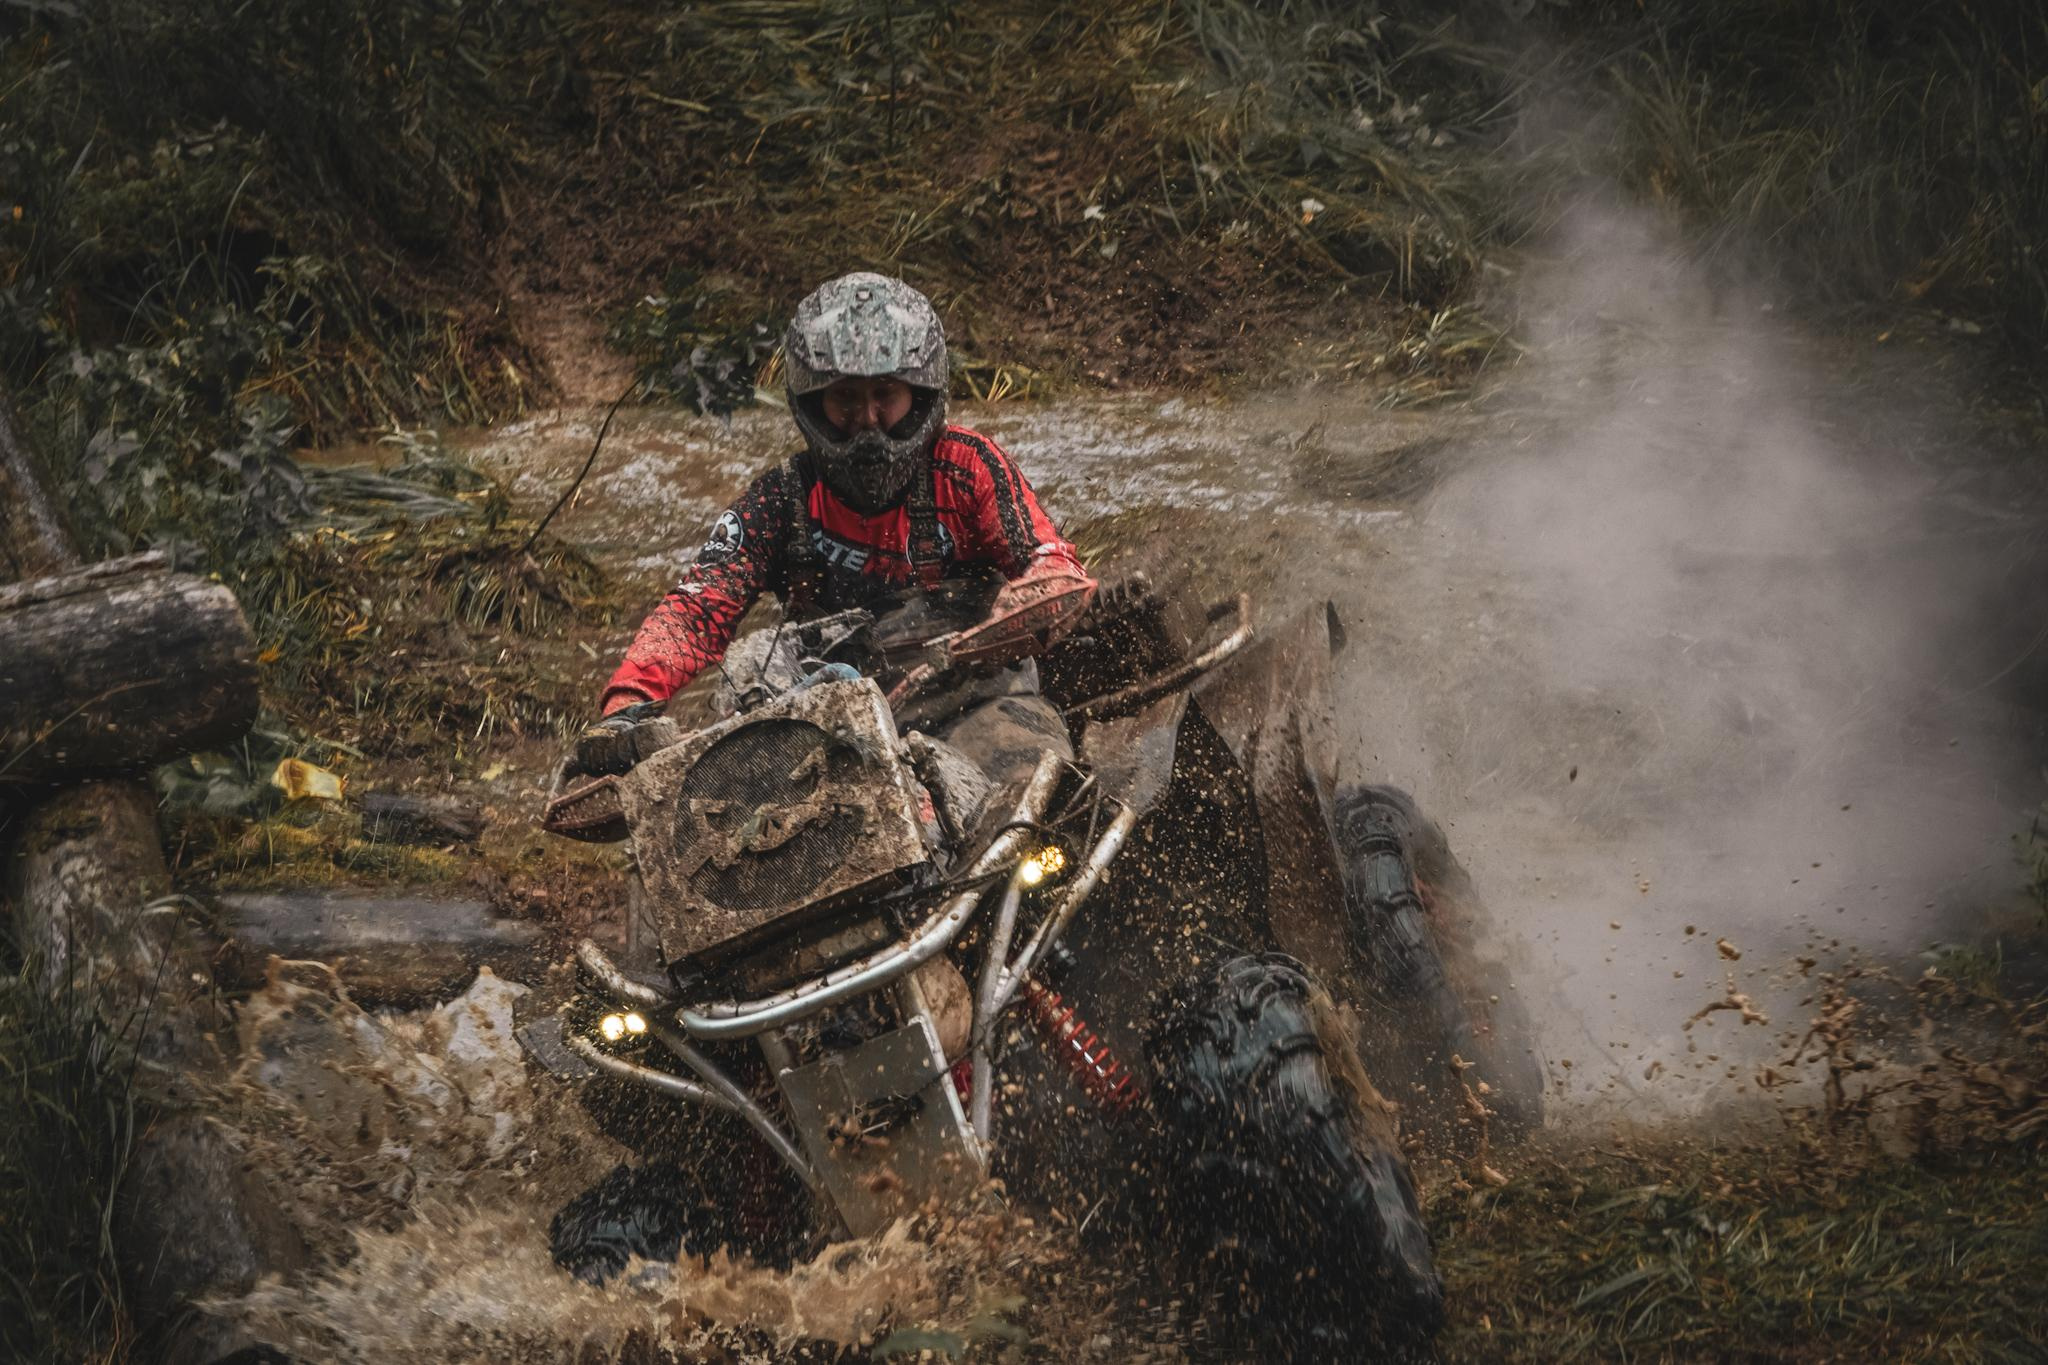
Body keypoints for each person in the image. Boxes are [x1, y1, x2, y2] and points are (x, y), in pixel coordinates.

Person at [583, 271, 1093, 784]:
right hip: (832, 729)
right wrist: (628, 704)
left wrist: (1030, 601)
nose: (868, 420)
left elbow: (1050, 559)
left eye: (885, 395)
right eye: (846, 398)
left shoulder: (969, 467)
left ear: (919, 393)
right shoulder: (782, 497)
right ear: (812, 403)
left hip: (979, 703)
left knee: (1037, 791)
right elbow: (697, 608)